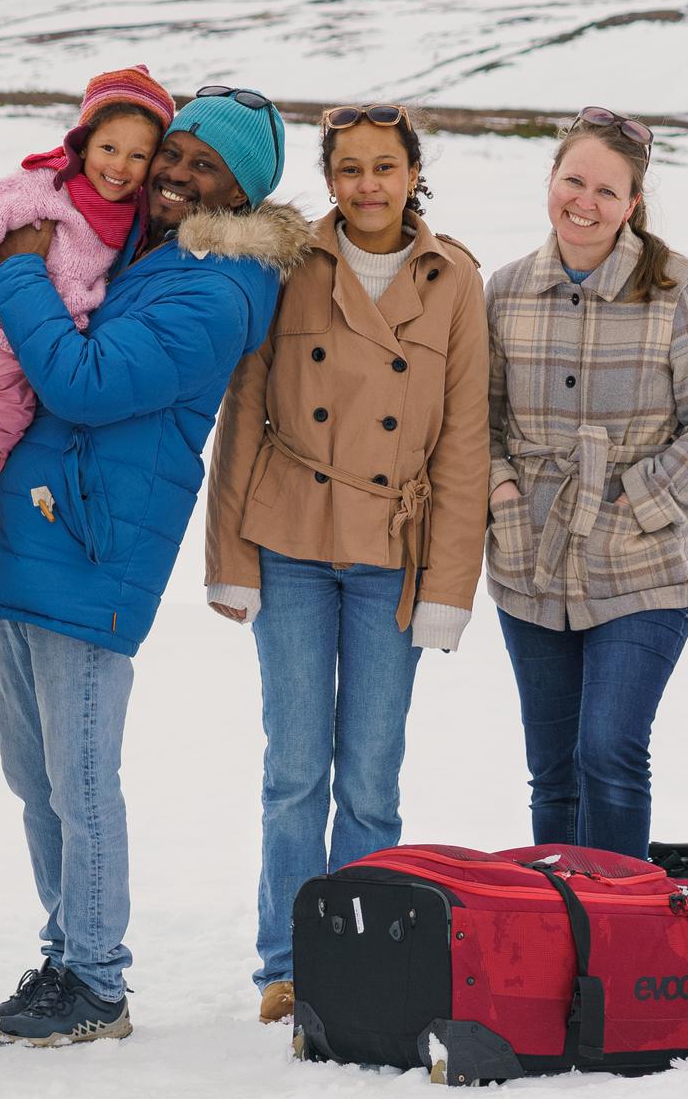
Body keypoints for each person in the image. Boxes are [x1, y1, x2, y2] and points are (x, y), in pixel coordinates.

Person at [0, 84, 308, 1046]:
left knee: (81, 778)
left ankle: (97, 978)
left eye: (203, 165)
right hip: (28, 530)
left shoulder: (219, 291)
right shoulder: (128, 246)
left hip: (96, 547)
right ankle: (65, 954)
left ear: (243, 190)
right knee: (33, 775)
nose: (173, 174)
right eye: (171, 153)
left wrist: (17, 264)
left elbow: (84, 381)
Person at [205, 104, 490, 1026]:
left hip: (391, 556)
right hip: (289, 541)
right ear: (329, 179)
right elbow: (243, 410)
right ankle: (285, 964)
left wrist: (450, 585)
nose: (368, 184)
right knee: (294, 769)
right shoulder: (289, 264)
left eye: (386, 167)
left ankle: (362, 952)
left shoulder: (454, 280)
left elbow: (464, 444)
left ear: (414, 174)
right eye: (351, 169)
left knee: (370, 774)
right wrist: (230, 555)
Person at [483, 109, 688, 862]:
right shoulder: (504, 291)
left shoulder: (677, 288)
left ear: (632, 203)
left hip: (643, 571)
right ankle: (559, 929)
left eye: (607, 190)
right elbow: (476, 422)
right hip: (529, 566)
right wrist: (504, 498)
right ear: (551, 181)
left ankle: (620, 934)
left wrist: (639, 501)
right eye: (574, 180)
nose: (585, 201)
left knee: (608, 750)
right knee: (555, 775)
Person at [0, 66, 176, 577]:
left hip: (27, 337)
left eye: (138, 156)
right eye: (109, 148)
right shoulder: (44, 189)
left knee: (13, 408)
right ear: (83, 143)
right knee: (9, 410)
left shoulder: (131, 220)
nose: (121, 166)